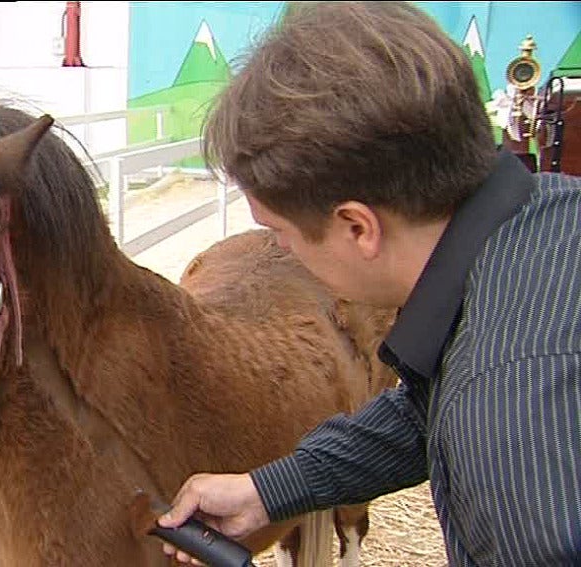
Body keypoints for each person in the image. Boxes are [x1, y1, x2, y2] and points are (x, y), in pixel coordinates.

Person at [158, 2, 581, 565]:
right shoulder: (544, 220)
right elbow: (423, 412)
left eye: (279, 231)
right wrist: (270, 490)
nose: (281, 249)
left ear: (358, 227)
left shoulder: (508, 411)